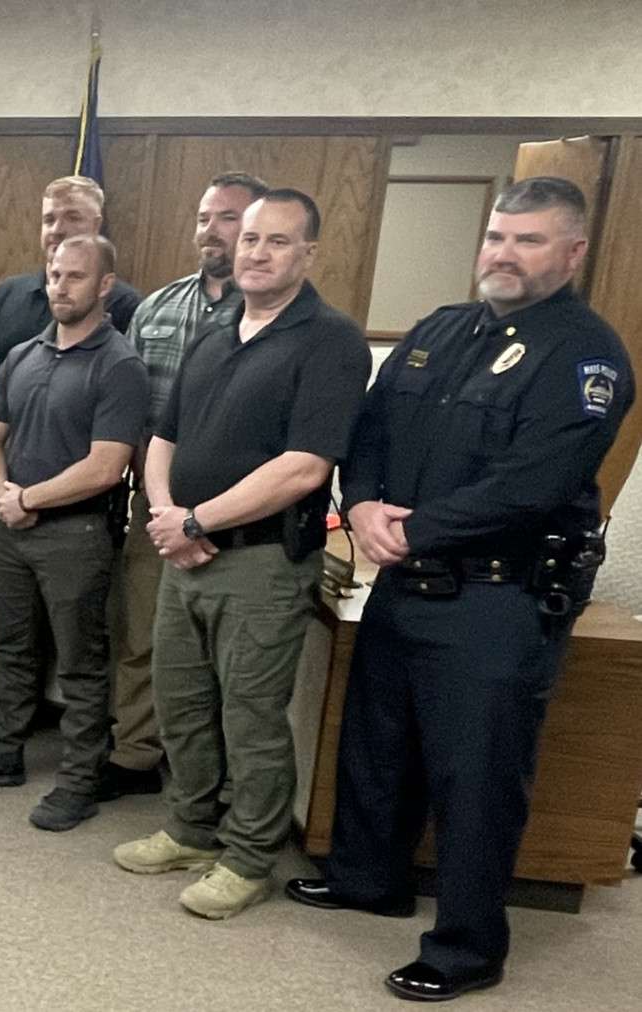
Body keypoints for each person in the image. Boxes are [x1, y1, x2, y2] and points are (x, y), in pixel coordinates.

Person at [286, 177, 633, 1002]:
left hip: (497, 599)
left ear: (573, 252)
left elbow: (535, 482)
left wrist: (408, 531)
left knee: (476, 777)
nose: (504, 254)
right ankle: (369, 878)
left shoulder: (585, 356)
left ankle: (468, 946)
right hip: (406, 582)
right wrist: (361, 503)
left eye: (529, 240)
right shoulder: (440, 330)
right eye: (497, 237)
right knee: (377, 743)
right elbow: (367, 432)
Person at [111, 189, 370, 919]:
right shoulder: (218, 326)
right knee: (182, 704)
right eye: (250, 238)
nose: (257, 252)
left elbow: (306, 466)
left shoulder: (331, 340)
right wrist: (168, 517)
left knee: (250, 715)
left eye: (278, 241)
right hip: (182, 553)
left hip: (260, 562)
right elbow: (164, 436)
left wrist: (196, 523)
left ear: (309, 254)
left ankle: (249, 856)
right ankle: (191, 828)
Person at [0, 235, 147, 828]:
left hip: (76, 535)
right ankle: (3, 754)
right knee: (15, 651)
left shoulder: (120, 365)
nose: (60, 286)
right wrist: (5, 495)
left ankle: (79, 780)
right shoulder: (24, 355)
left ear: (104, 285)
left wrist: (27, 498)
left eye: (75, 277)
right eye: (55, 275)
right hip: (14, 528)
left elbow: (107, 465)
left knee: (82, 665)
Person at [100, 172, 268, 800]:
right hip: (157, 502)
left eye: (227, 219)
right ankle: (135, 754)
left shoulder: (271, 318)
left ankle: (217, 781)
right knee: (144, 636)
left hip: (245, 514)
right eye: (204, 217)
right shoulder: (158, 309)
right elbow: (136, 416)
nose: (211, 230)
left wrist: (206, 518)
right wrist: (167, 508)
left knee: (228, 659)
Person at [0, 175, 142, 412]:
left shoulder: (125, 303)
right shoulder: (4, 295)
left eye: (72, 217)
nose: (58, 229)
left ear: (96, 224)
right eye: (49, 219)